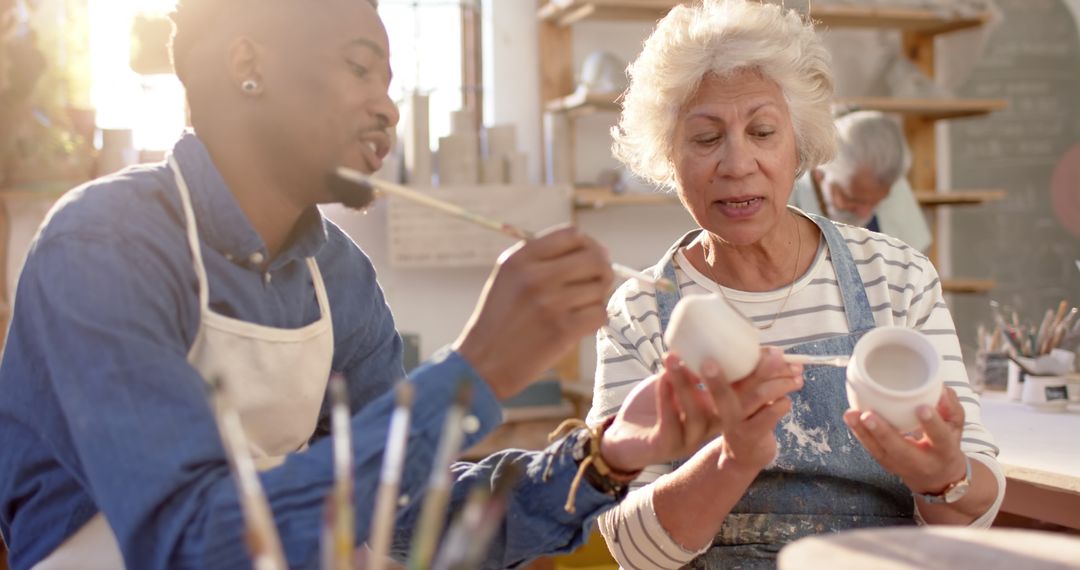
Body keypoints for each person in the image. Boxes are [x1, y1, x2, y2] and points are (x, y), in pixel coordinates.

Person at [0, 1, 801, 569]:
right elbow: (187, 544)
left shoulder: (338, 277)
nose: (384, 107)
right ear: (247, 64)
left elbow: (413, 514)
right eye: (360, 69)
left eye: (391, 81)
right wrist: (474, 374)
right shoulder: (104, 246)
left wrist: (609, 456)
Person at [588, 1, 1005, 567]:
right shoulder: (640, 311)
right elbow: (631, 550)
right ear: (668, 155)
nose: (737, 164)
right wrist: (734, 458)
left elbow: (976, 505)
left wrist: (945, 478)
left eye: (762, 131)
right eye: (706, 138)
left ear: (800, 142)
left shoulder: (896, 277)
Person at [790, 110, 932, 253]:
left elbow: (915, 259)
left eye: (876, 202)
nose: (865, 213)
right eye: (852, 199)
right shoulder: (786, 198)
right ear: (819, 172)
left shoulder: (888, 180)